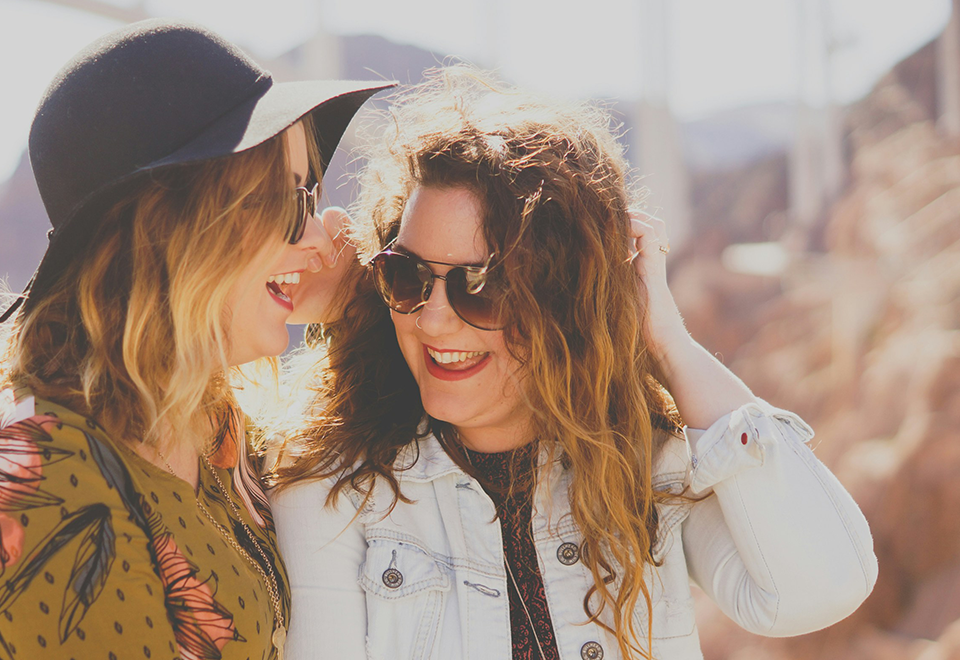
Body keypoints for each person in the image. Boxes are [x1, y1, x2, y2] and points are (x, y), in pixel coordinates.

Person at [270, 67, 878, 660]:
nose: (432, 319)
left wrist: (667, 339)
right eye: (407, 275)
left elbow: (820, 588)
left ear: (565, 300)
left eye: (481, 284)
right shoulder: (335, 491)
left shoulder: (642, 470)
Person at [0, 19, 390, 660]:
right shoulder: (50, 481)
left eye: (312, 194)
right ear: (175, 228)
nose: (321, 239)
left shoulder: (216, 424)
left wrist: (367, 308)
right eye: (291, 202)